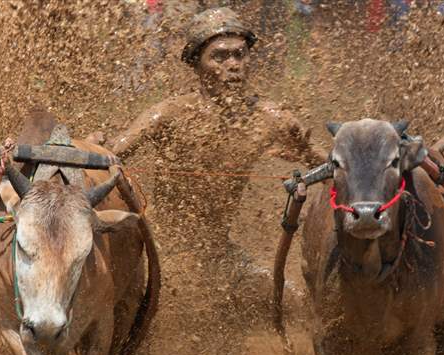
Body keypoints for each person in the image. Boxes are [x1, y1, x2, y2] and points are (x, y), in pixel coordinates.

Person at [109, 7, 322, 259]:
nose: (233, 65)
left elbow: (333, 167)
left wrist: (312, 155)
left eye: (239, 55)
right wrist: (92, 146)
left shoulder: (269, 118)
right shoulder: (168, 114)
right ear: (197, 65)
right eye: (219, 57)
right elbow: (109, 156)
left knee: (286, 297)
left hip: (219, 252)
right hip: (159, 251)